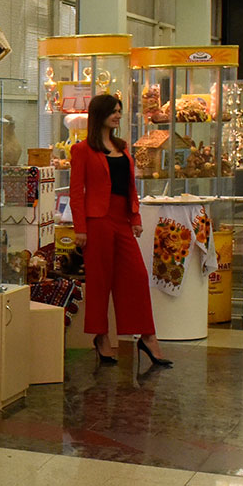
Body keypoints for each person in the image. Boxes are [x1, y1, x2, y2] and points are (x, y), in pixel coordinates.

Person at [69, 93, 171, 368]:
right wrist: (80, 228)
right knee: (100, 282)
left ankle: (147, 336)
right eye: (113, 111)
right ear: (100, 114)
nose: (117, 115)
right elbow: (76, 193)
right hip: (96, 222)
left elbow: (130, 187)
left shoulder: (122, 148)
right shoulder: (82, 150)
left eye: (119, 111)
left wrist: (135, 217)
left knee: (137, 276)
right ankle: (101, 336)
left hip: (121, 219)